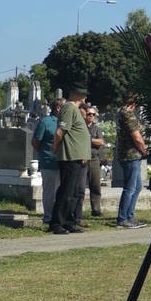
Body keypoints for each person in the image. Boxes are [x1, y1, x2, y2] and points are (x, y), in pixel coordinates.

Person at [50, 84, 91, 234]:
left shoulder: (76, 109)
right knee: (66, 191)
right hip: (70, 156)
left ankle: (68, 222)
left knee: (74, 193)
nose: (85, 96)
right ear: (75, 94)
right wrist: (55, 147)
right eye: (83, 93)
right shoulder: (68, 108)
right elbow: (60, 131)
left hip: (78, 156)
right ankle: (57, 223)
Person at [114, 90, 149, 230]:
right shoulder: (127, 114)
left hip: (130, 155)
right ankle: (123, 218)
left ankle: (130, 215)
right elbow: (137, 137)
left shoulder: (121, 112)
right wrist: (145, 150)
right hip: (131, 155)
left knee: (137, 186)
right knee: (130, 188)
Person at [32, 99, 62, 228]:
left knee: (60, 191)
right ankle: (48, 216)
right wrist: (45, 153)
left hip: (63, 162)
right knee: (50, 191)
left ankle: (59, 216)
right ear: (58, 108)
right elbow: (35, 141)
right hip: (49, 161)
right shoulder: (46, 122)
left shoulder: (64, 122)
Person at [83, 105, 106, 218]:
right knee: (79, 186)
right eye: (89, 114)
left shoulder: (96, 128)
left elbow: (101, 142)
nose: (91, 116)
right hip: (82, 158)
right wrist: (93, 141)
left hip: (93, 158)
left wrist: (89, 139)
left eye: (93, 114)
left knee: (95, 185)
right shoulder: (81, 127)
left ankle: (96, 209)